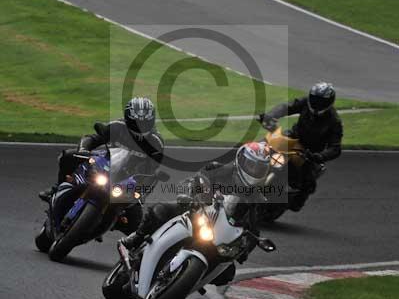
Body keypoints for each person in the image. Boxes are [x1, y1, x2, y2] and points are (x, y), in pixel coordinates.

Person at [119, 141, 271, 285]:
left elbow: (253, 227)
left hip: (217, 232)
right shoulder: (220, 169)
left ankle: (189, 280)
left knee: (227, 273)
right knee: (160, 210)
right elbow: (198, 178)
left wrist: (246, 247)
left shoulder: (256, 197)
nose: (254, 171)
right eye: (252, 166)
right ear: (241, 161)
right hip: (197, 210)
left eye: (259, 169)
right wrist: (194, 195)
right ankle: (136, 238)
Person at [39, 97, 164, 233]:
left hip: (127, 180)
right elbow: (92, 138)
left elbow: (152, 172)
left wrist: (140, 194)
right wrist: (84, 151)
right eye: (136, 122)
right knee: (68, 156)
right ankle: (55, 189)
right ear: (128, 119)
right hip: (104, 164)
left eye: (144, 123)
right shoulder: (118, 126)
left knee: (136, 221)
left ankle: (128, 244)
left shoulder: (156, 143)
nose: (140, 126)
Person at [259, 81, 343, 212]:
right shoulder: (305, 103)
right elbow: (286, 107)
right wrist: (270, 115)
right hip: (294, 138)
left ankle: (297, 198)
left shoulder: (334, 121)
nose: (317, 103)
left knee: (307, 180)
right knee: (267, 143)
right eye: (315, 99)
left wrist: (320, 156)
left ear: (329, 102)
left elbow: (335, 148)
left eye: (321, 101)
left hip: (311, 152)